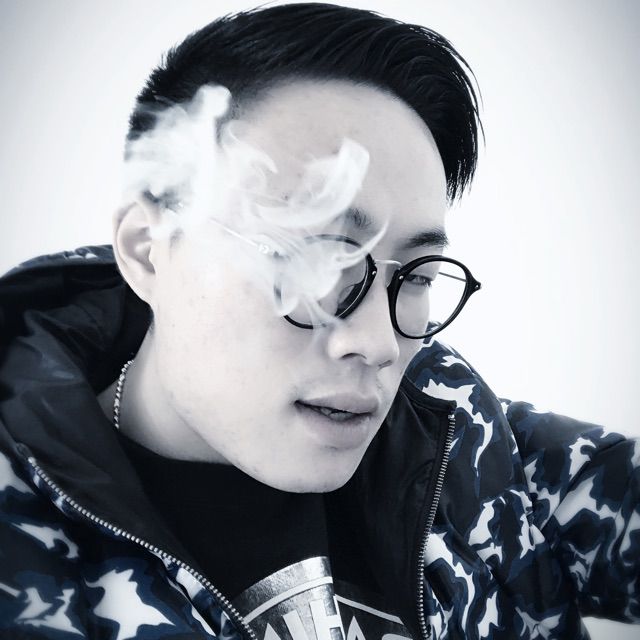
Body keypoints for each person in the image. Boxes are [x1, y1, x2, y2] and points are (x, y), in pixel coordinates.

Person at [0, 3, 637, 639]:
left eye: (417, 275)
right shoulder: (25, 558)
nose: (379, 344)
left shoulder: (456, 436)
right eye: (318, 260)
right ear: (148, 249)